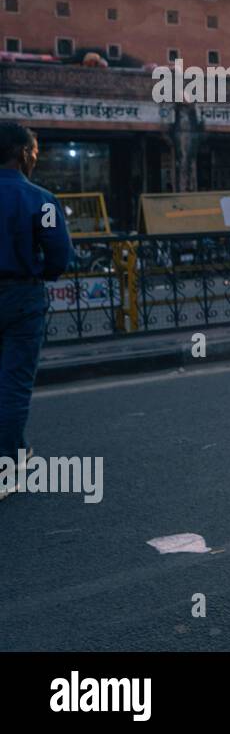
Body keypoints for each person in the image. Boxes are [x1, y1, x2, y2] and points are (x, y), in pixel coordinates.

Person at [0, 123, 73, 501]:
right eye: (34, 152)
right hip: (21, 296)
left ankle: (17, 448)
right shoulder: (41, 200)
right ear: (23, 153)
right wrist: (41, 273)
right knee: (13, 382)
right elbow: (59, 255)